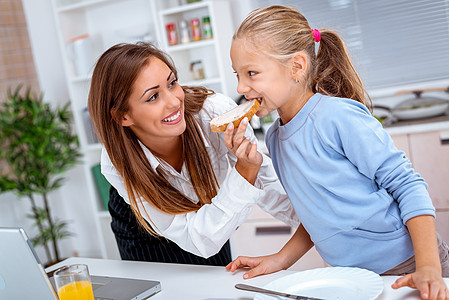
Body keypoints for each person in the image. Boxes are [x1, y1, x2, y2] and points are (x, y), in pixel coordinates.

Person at [224, 5, 449, 299]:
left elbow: (408, 186)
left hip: (409, 266)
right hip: (352, 277)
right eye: (237, 75)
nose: (241, 86)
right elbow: (317, 215)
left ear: (297, 66)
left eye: (251, 73)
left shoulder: (337, 117)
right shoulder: (275, 139)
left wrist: (429, 267)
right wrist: (279, 259)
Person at [87, 42, 299, 265]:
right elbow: (198, 240)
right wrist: (244, 172)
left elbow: (271, 187)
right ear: (122, 116)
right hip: (143, 227)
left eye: (172, 83)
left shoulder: (213, 113)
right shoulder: (117, 163)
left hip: (206, 213)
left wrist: (324, 225)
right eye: (152, 97)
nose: (173, 101)